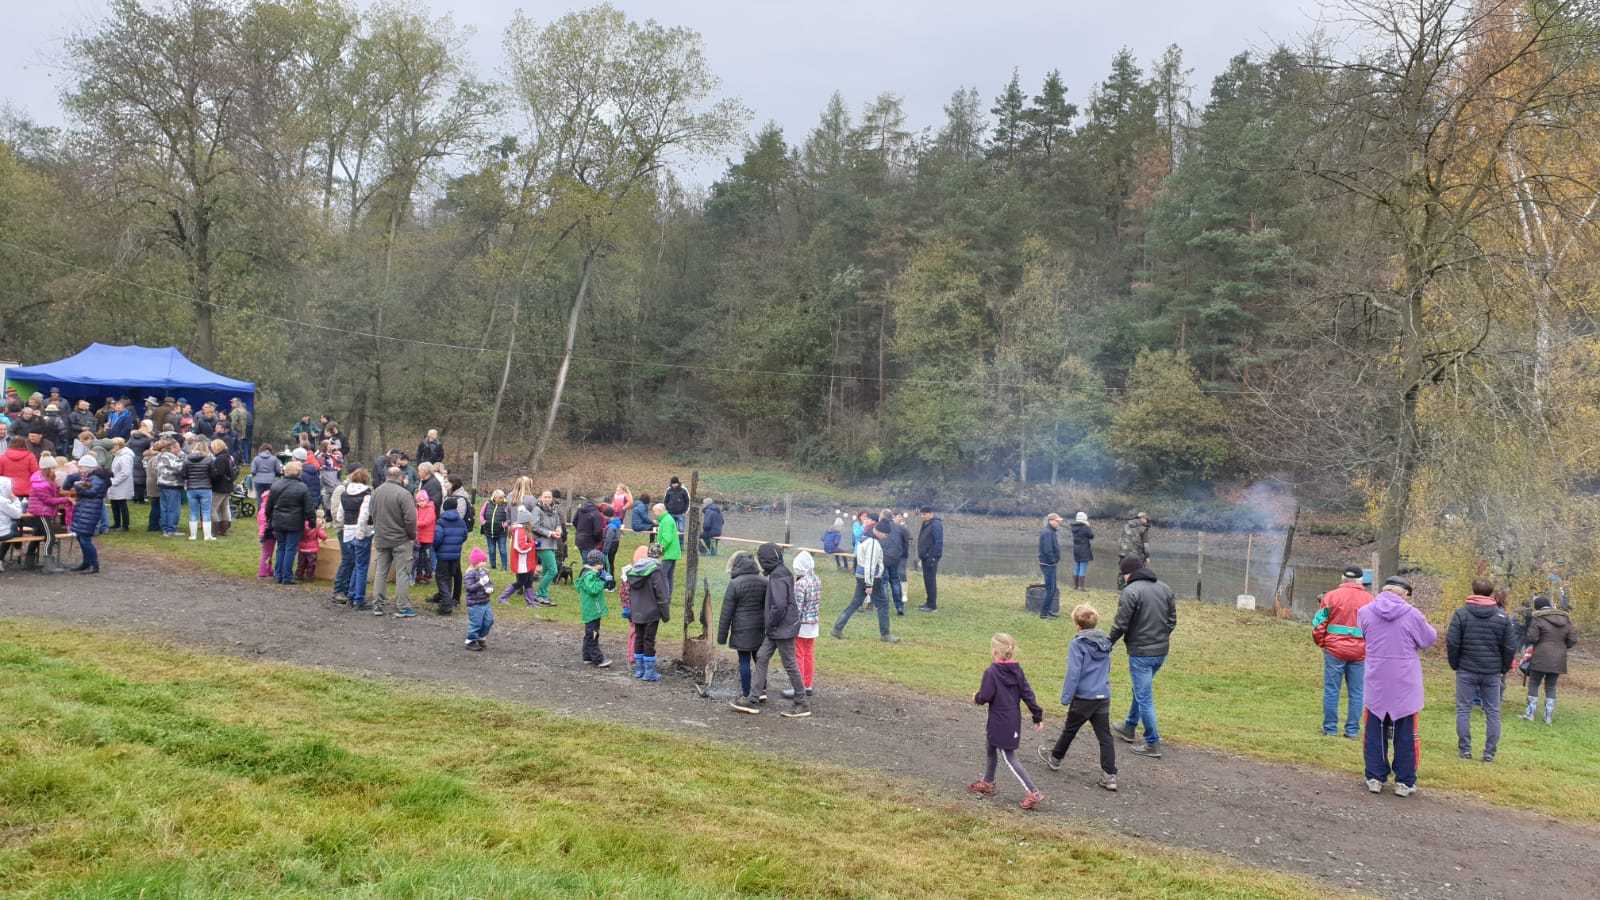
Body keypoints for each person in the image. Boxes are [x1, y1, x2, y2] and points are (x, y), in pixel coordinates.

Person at [1359, 577, 1437, 796]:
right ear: (1404, 594)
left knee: (1374, 730)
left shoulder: (1364, 612)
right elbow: (1428, 639)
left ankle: (1374, 777)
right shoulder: (1412, 614)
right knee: (1406, 732)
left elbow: (1365, 635)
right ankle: (1404, 781)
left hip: (1377, 677)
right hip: (1404, 679)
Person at [1039, 603, 1118, 791]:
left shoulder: (1078, 644)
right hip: (1102, 696)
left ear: (1077, 625)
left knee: (1070, 729)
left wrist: (1066, 697)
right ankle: (1110, 776)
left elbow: (1074, 673)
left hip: (1084, 697)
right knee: (1105, 736)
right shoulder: (1106, 643)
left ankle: (1055, 759)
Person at [1107, 556, 1177, 758]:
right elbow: (1172, 620)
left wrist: (1108, 642)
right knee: (1140, 690)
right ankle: (1129, 727)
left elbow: (1121, 624)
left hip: (1141, 653)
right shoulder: (1165, 588)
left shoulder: (1130, 591)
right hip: (1161, 652)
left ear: (1127, 574)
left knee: (1144, 697)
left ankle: (1152, 742)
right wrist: (1160, 637)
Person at [1445, 578, 1520, 763]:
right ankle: (1489, 753)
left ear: (1473, 590)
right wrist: (1503, 668)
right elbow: (1510, 646)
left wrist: (1455, 663)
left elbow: (1452, 641)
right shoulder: (1502, 617)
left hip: (1466, 669)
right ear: (1490, 593)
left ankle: (1465, 749)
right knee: (1493, 711)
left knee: (1464, 709)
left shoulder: (1461, 614)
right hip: (1492, 671)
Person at [969, 633, 1045, 809]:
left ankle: (1033, 792)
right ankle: (988, 782)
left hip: (1000, 721)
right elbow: (1027, 694)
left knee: (1009, 757)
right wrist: (1037, 715)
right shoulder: (1017, 671)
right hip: (1011, 719)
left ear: (995, 651)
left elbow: (985, 696)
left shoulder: (991, 672)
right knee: (990, 747)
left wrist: (976, 698)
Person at [748, 542, 810, 718]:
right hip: (779, 628)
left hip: (781, 628)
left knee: (790, 664)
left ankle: (802, 702)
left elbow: (780, 605)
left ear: (766, 560)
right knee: (762, 656)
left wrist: (770, 623)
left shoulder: (777, 576)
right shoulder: (782, 571)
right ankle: (753, 698)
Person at [1313, 565, 1375, 738]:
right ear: (1361, 580)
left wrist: (1322, 642)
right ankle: (1352, 730)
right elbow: (1375, 629)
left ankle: (1330, 728)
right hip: (1360, 652)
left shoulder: (1331, 596)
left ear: (1343, 578)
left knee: (1332, 689)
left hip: (1334, 649)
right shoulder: (1370, 600)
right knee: (1357, 692)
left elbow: (1319, 623)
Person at [831, 513, 897, 642]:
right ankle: (885, 634)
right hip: (871, 578)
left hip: (861, 575)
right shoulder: (873, 544)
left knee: (855, 603)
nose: (886, 537)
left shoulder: (865, 538)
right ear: (880, 532)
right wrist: (869, 584)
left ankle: (837, 629)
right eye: (886, 534)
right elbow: (870, 565)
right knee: (883, 604)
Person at [721, 550, 770, 713]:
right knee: (759, 660)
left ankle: (747, 693)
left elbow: (726, 612)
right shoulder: (764, 581)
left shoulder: (735, 584)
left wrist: (722, 636)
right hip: (759, 628)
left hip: (741, 629)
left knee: (744, 661)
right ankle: (762, 690)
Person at [369, 467, 418, 617]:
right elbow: (411, 518)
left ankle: (377, 605)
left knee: (381, 572)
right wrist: (411, 535)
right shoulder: (404, 494)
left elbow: (371, 513)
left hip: (382, 538)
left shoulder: (376, 492)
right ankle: (403, 606)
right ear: (401, 477)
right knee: (402, 572)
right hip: (401, 539)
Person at [1521, 595, 1577, 724]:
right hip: (1558, 658)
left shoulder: (1538, 618)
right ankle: (1548, 717)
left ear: (1537, 607)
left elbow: (1532, 638)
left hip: (1540, 656)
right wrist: (1562, 647)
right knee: (1551, 686)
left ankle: (1530, 714)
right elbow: (1573, 639)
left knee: (1534, 683)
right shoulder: (1565, 619)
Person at [624, 543, 671, 682]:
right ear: (660, 555)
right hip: (651, 612)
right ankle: (649, 672)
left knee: (639, 638)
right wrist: (665, 614)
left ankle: (639, 670)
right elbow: (661, 594)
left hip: (637, 611)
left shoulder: (634, 569)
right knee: (649, 640)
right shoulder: (656, 570)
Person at [265, 461, 316, 585]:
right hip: (295, 522)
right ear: (298, 473)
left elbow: (269, 505)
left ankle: (278, 574)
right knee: (290, 549)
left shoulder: (276, 485)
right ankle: (287, 576)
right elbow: (309, 508)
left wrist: (269, 518)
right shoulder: (302, 487)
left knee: (281, 547)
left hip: (278, 521)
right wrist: (312, 522)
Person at [333, 469, 374, 610]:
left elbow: (340, 515)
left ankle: (351, 595)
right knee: (361, 566)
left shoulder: (345, 493)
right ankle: (358, 599)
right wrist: (361, 533)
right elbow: (363, 516)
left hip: (347, 531)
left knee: (353, 563)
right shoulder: (367, 494)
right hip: (361, 531)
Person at [785, 550, 822, 699]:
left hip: (801, 625)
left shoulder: (800, 584)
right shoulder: (817, 579)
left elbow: (797, 608)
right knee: (809, 654)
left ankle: (798, 686)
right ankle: (808, 685)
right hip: (813, 624)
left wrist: (790, 624)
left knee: (798, 655)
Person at [63, 457, 108, 574]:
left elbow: (92, 492)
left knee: (85, 539)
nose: (80, 470)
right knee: (81, 537)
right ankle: (86, 562)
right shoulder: (91, 478)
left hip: (90, 511)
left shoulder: (96, 479)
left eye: (82, 467)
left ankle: (94, 565)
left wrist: (78, 486)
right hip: (85, 510)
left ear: (88, 468)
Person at [432, 495, 470, 615]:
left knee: (441, 578)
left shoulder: (441, 522)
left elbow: (437, 539)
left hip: (443, 556)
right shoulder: (461, 521)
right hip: (455, 555)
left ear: (444, 508)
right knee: (449, 577)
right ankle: (447, 600)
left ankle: (446, 604)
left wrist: (436, 548)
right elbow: (464, 536)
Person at [578, 549, 614, 667]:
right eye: (601, 563)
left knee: (589, 633)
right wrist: (603, 581)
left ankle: (587, 656)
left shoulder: (591, 573)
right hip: (592, 610)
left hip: (593, 609)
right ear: (596, 563)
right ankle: (598, 659)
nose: (603, 566)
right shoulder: (589, 575)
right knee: (593, 634)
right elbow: (593, 589)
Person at [500, 506, 538, 606]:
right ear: (526, 522)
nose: (531, 522)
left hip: (527, 562)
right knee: (520, 582)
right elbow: (519, 547)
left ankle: (530, 602)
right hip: (521, 562)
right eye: (530, 520)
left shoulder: (525, 530)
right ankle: (503, 597)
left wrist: (533, 543)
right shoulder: (520, 531)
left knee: (529, 581)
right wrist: (532, 545)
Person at [531, 491, 563, 605]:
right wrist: (550, 533)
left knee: (545, 571)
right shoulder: (537, 510)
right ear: (541, 498)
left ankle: (543, 595)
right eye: (545, 497)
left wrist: (559, 529)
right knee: (553, 570)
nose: (547, 499)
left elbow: (558, 523)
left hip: (552, 543)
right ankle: (539, 594)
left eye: (549, 497)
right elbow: (534, 526)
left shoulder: (554, 510)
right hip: (541, 543)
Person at [875, 508, 909, 615]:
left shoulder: (878, 527)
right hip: (895, 558)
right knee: (895, 581)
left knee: (884, 582)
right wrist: (903, 555)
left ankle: (884, 605)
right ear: (892, 517)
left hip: (882, 558)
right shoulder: (900, 528)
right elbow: (906, 542)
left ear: (882, 517)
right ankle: (899, 606)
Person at [180, 440, 215, 541]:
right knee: (206, 511)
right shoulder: (209, 460)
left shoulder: (187, 459)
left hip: (191, 488)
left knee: (193, 512)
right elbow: (213, 474)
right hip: (205, 488)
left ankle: (193, 535)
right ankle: (207, 536)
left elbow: (183, 474)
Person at [463, 548, 495, 651]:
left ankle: (481, 637)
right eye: (482, 561)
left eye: (484, 561)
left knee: (489, 620)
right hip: (475, 603)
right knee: (476, 623)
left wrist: (490, 588)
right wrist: (480, 583)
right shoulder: (469, 574)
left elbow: (489, 583)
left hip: (485, 601)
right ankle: (471, 641)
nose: (484, 563)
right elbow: (469, 588)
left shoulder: (484, 572)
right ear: (476, 562)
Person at [155, 441, 184, 537]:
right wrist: (182, 458)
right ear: (172, 448)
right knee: (173, 508)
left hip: (162, 484)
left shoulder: (160, 456)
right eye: (178, 447)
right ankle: (171, 529)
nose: (180, 449)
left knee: (164, 508)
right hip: (172, 485)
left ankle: (165, 528)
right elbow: (179, 468)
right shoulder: (170, 457)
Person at [916, 507, 943, 612]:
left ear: (930, 513)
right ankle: (928, 602)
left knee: (930, 581)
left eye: (924, 514)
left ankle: (932, 606)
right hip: (925, 557)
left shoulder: (936, 524)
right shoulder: (926, 523)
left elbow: (938, 542)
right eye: (921, 514)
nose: (922, 516)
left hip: (931, 557)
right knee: (927, 580)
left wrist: (933, 557)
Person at [106, 437, 135, 532]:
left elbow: (125, 472)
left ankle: (125, 525)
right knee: (114, 504)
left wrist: (114, 481)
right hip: (116, 483)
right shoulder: (118, 455)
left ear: (118, 446)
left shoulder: (125, 456)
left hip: (121, 484)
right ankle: (117, 523)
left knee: (122, 504)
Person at [653, 501, 681, 599]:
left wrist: (657, 551)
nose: (654, 514)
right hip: (671, 553)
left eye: (654, 512)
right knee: (669, 576)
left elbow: (667, 539)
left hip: (667, 553)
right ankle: (667, 597)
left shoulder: (666, 521)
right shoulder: (667, 519)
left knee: (663, 576)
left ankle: (664, 597)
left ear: (659, 511)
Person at [1038, 513, 1063, 620]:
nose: (1058, 523)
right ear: (1051, 521)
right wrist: (1053, 561)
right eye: (1057, 521)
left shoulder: (1051, 531)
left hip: (1050, 564)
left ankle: (1048, 610)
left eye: (1059, 521)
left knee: (1052, 589)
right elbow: (1047, 550)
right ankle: (1044, 614)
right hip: (1048, 564)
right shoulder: (1047, 532)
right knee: (1050, 590)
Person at [413, 489, 437, 589]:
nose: (421, 503)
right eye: (419, 501)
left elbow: (426, 522)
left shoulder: (430, 509)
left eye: (422, 501)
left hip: (428, 538)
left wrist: (415, 523)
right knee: (419, 557)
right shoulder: (418, 509)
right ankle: (419, 574)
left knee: (427, 557)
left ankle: (428, 574)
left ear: (426, 500)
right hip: (419, 537)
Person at [480, 489, 510, 570]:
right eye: (499, 498)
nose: (501, 499)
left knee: (503, 550)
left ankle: (504, 567)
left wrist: (504, 524)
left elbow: (509, 518)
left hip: (501, 532)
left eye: (502, 497)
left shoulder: (507, 505)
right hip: (489, 531)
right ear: (494, 497)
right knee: (491, 550)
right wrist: (483, 522)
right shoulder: (487, 503)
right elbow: (481, 514)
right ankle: (493, 566)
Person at [296, 510, 327, 583]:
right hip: (312, 550)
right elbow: (323, 536)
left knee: (301, 563)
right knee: (311, 564)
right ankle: (310, 576)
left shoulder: (301, 525)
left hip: (302, 548)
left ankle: (299, 575)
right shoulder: (316, 526)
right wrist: (322, 530)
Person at [1069, 512, 1094, 591]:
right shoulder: (1085, 527)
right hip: (1084, 550)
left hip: (1076, 550)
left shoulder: (1073, 527)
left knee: (1077, 567)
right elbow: (1091, 536)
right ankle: (1081, 587)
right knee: (1083, 567)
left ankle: (1075, 586)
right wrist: (1088, 527)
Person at [601, 504, 622, 588]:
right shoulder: (616, 522)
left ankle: (610, 585)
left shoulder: (611, 527)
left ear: (607, 516)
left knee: (608, 566)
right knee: (610, 564)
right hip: (614, 545)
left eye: (604, 515)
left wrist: (604, 551)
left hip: (610, 547)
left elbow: (608, 540)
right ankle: (608, 582)